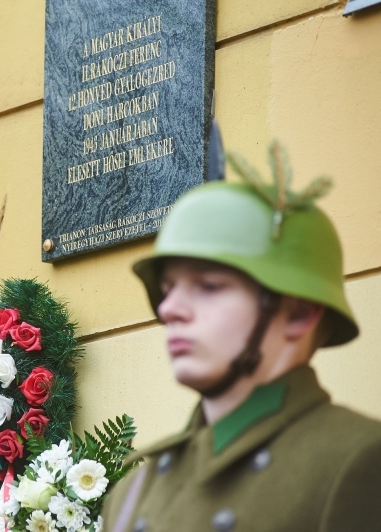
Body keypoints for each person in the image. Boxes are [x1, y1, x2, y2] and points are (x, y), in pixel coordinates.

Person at [101, 157, 381, 532]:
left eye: (209, 286)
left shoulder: (357, 460)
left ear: (298, 314)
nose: (169, 309)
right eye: (167, 290)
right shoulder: (134, 489)